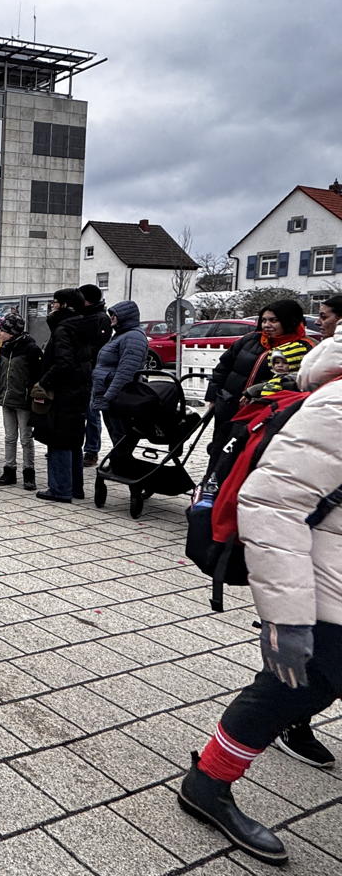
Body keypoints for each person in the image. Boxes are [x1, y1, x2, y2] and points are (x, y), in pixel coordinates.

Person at [177, 333, 342, 866]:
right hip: (327, 586)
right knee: (288, 688)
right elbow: (273, 503)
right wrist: (286, 620)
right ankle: (208, 783)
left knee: (303, 689)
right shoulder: (336, 403)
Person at [206, 299, 316, 456]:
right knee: (220, 451)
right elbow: (223, 367)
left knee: (248, 455)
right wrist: (213, 398)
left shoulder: (303, 348)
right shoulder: (250, 339)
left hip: (263, 412)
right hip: (229, 406)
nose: (266, 325)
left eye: (273, 320)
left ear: (289, 320)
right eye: (264, 320)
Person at [32, 288, 96, 503]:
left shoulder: (64, 328)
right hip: (79, 390)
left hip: (63, 393)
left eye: (55, 302)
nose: (52, 306)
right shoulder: (84, 325)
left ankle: (60, 489)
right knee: (74, 440)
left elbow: (63, 363)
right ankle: (75, 487)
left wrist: (43, 381)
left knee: (58, 438)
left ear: (65, 305)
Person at [88, 301, 149, 460]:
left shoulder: (133, 336)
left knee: (122, 437)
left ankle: (124, 468)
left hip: (119, 399)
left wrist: (109, 396)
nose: (111, 318)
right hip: (111, 396)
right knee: (118, 437)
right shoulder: (121, 335)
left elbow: (126, 372)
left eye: (114, 315)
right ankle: (121, 466)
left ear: (125, 316)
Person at [0, 312, 42, 489]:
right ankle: (9, 470)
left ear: (11, 332)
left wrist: (31, 396)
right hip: (7, 398)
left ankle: (29, 473)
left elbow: (36, 376)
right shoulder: (4, 348)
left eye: (2, 330)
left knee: (26, 438)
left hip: (24, 401)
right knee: (9, 437)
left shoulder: (31, 349)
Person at [80, 284, 115, 465]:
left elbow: (98, 346)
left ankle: (92, 450)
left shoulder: (101, 318)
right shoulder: (83, 315)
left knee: (92, 411)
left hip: (94, 371)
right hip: (82, 370)